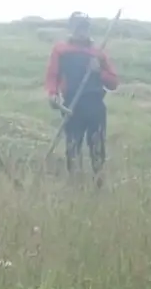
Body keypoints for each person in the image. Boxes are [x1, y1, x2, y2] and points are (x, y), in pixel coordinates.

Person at [44, 11, 119, 186]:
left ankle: (99, 183)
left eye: (84, 27)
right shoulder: (61, 50)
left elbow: (114, 83)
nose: (81, 31)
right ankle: (75, 184)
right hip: (72, 105)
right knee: (73, 146)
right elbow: (52, 75)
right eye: (78, 27)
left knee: (97, 146)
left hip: (95, 105)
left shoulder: (97, 54)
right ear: (71, 28)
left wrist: (98, 71)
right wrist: (52, 94)